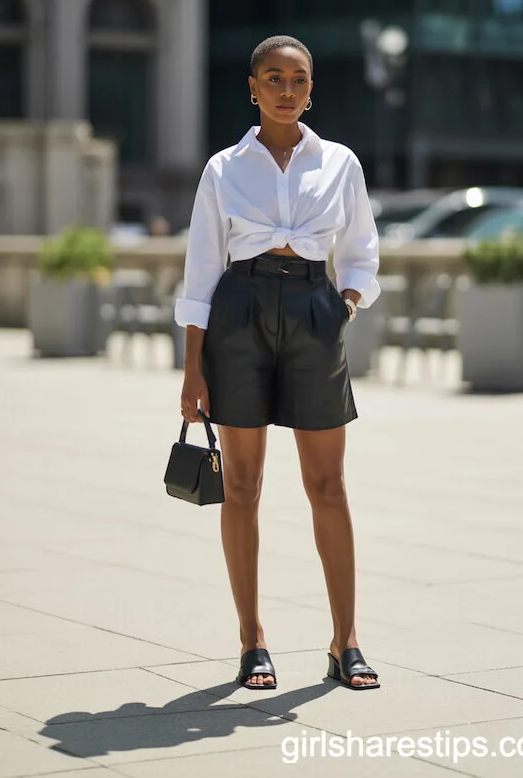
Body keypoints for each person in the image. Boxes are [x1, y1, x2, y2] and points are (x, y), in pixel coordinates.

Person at [175, 36, 381, 691]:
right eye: (274, 77)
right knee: (243, 485)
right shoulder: (222, 168)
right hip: (238, 313)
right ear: (253, 87)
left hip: (315, 312)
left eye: (298, 79)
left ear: (311, 90)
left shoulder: (341, 163)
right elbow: (201, 271)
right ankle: (251, 640)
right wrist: (192, 369)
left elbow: (361, 251)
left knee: (329, 485)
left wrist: (344, 304)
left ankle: (345, 639)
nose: (287, 89)